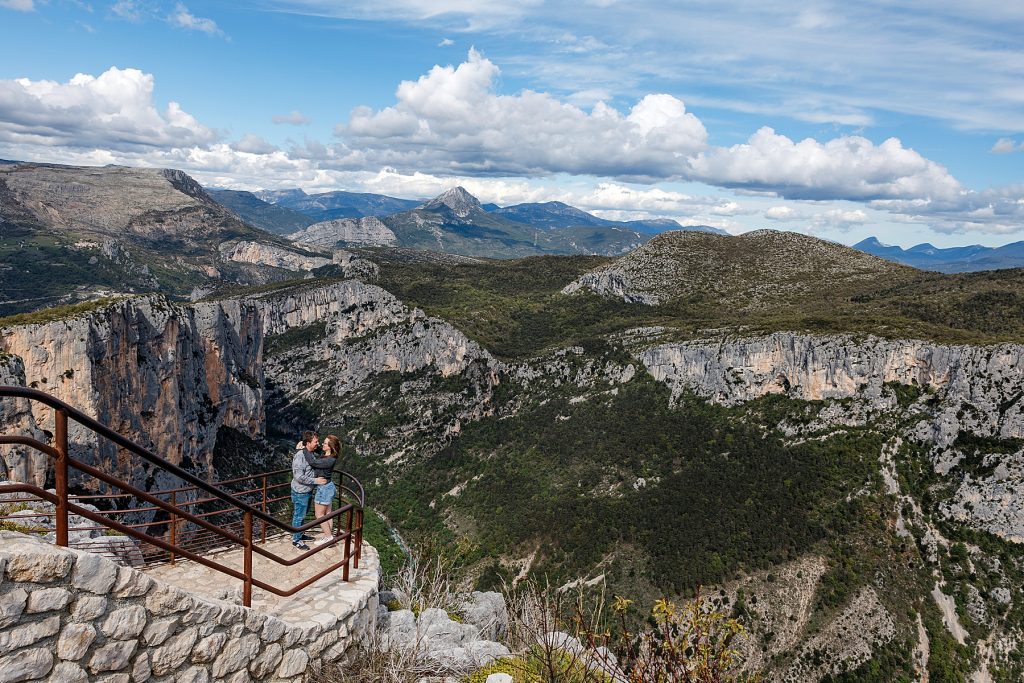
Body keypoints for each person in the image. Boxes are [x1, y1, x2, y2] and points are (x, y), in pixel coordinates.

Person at [291, 431, 327, 550]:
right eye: (316, 442)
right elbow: (299, 477)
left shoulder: (309, 452)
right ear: (308, 443)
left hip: (307, 490)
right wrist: (316, 481)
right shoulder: (300, 456)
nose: (318, 443)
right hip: (301, 492)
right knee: (299, 516)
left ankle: (300, 534)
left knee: (303, 514)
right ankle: (296, 540)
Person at [305, 434, 341, 546]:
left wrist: (304, 449)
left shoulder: (329, 460)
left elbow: (313, 462)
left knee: (319, 515)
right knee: (328, 513)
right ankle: (328, 536)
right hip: (328, 487)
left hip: (324, 489)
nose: (322, 444)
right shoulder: (327, 456)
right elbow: (318, 452)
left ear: (330, 446)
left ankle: (328, 537)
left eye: (325, 443)